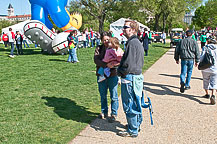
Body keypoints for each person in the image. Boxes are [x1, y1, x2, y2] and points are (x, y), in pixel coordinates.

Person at [117, 20, 144, 137]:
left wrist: (120, 71)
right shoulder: (135, 42)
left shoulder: (133, 43)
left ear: (133, 29)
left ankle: (133, 130)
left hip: (130, 77)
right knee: (134, 102)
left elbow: (128, 64)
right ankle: (135, 125)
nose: (123, 29)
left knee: (129, 104)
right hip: (135, 76)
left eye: (125, 27)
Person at [94, 31, 119, 123]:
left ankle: (114, 113)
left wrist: (112, 64)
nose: (106, 42)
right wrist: (106, 64)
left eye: (107, 40)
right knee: (103, 95)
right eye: (104, 40)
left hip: (113, 74)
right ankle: (104, 111)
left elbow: (119, 59)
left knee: (114, 95)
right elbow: (96, 60)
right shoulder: (99, 48)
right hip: (101, 75)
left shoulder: (115, 47)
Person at [200, 37, 217, 105]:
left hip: (205, 68)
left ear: (208, 42)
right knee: (214, 82)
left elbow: (201, 58)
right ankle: (213, 95)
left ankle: (207, 94)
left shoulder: (205, 48)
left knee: (205, 80)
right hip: (215, 68)